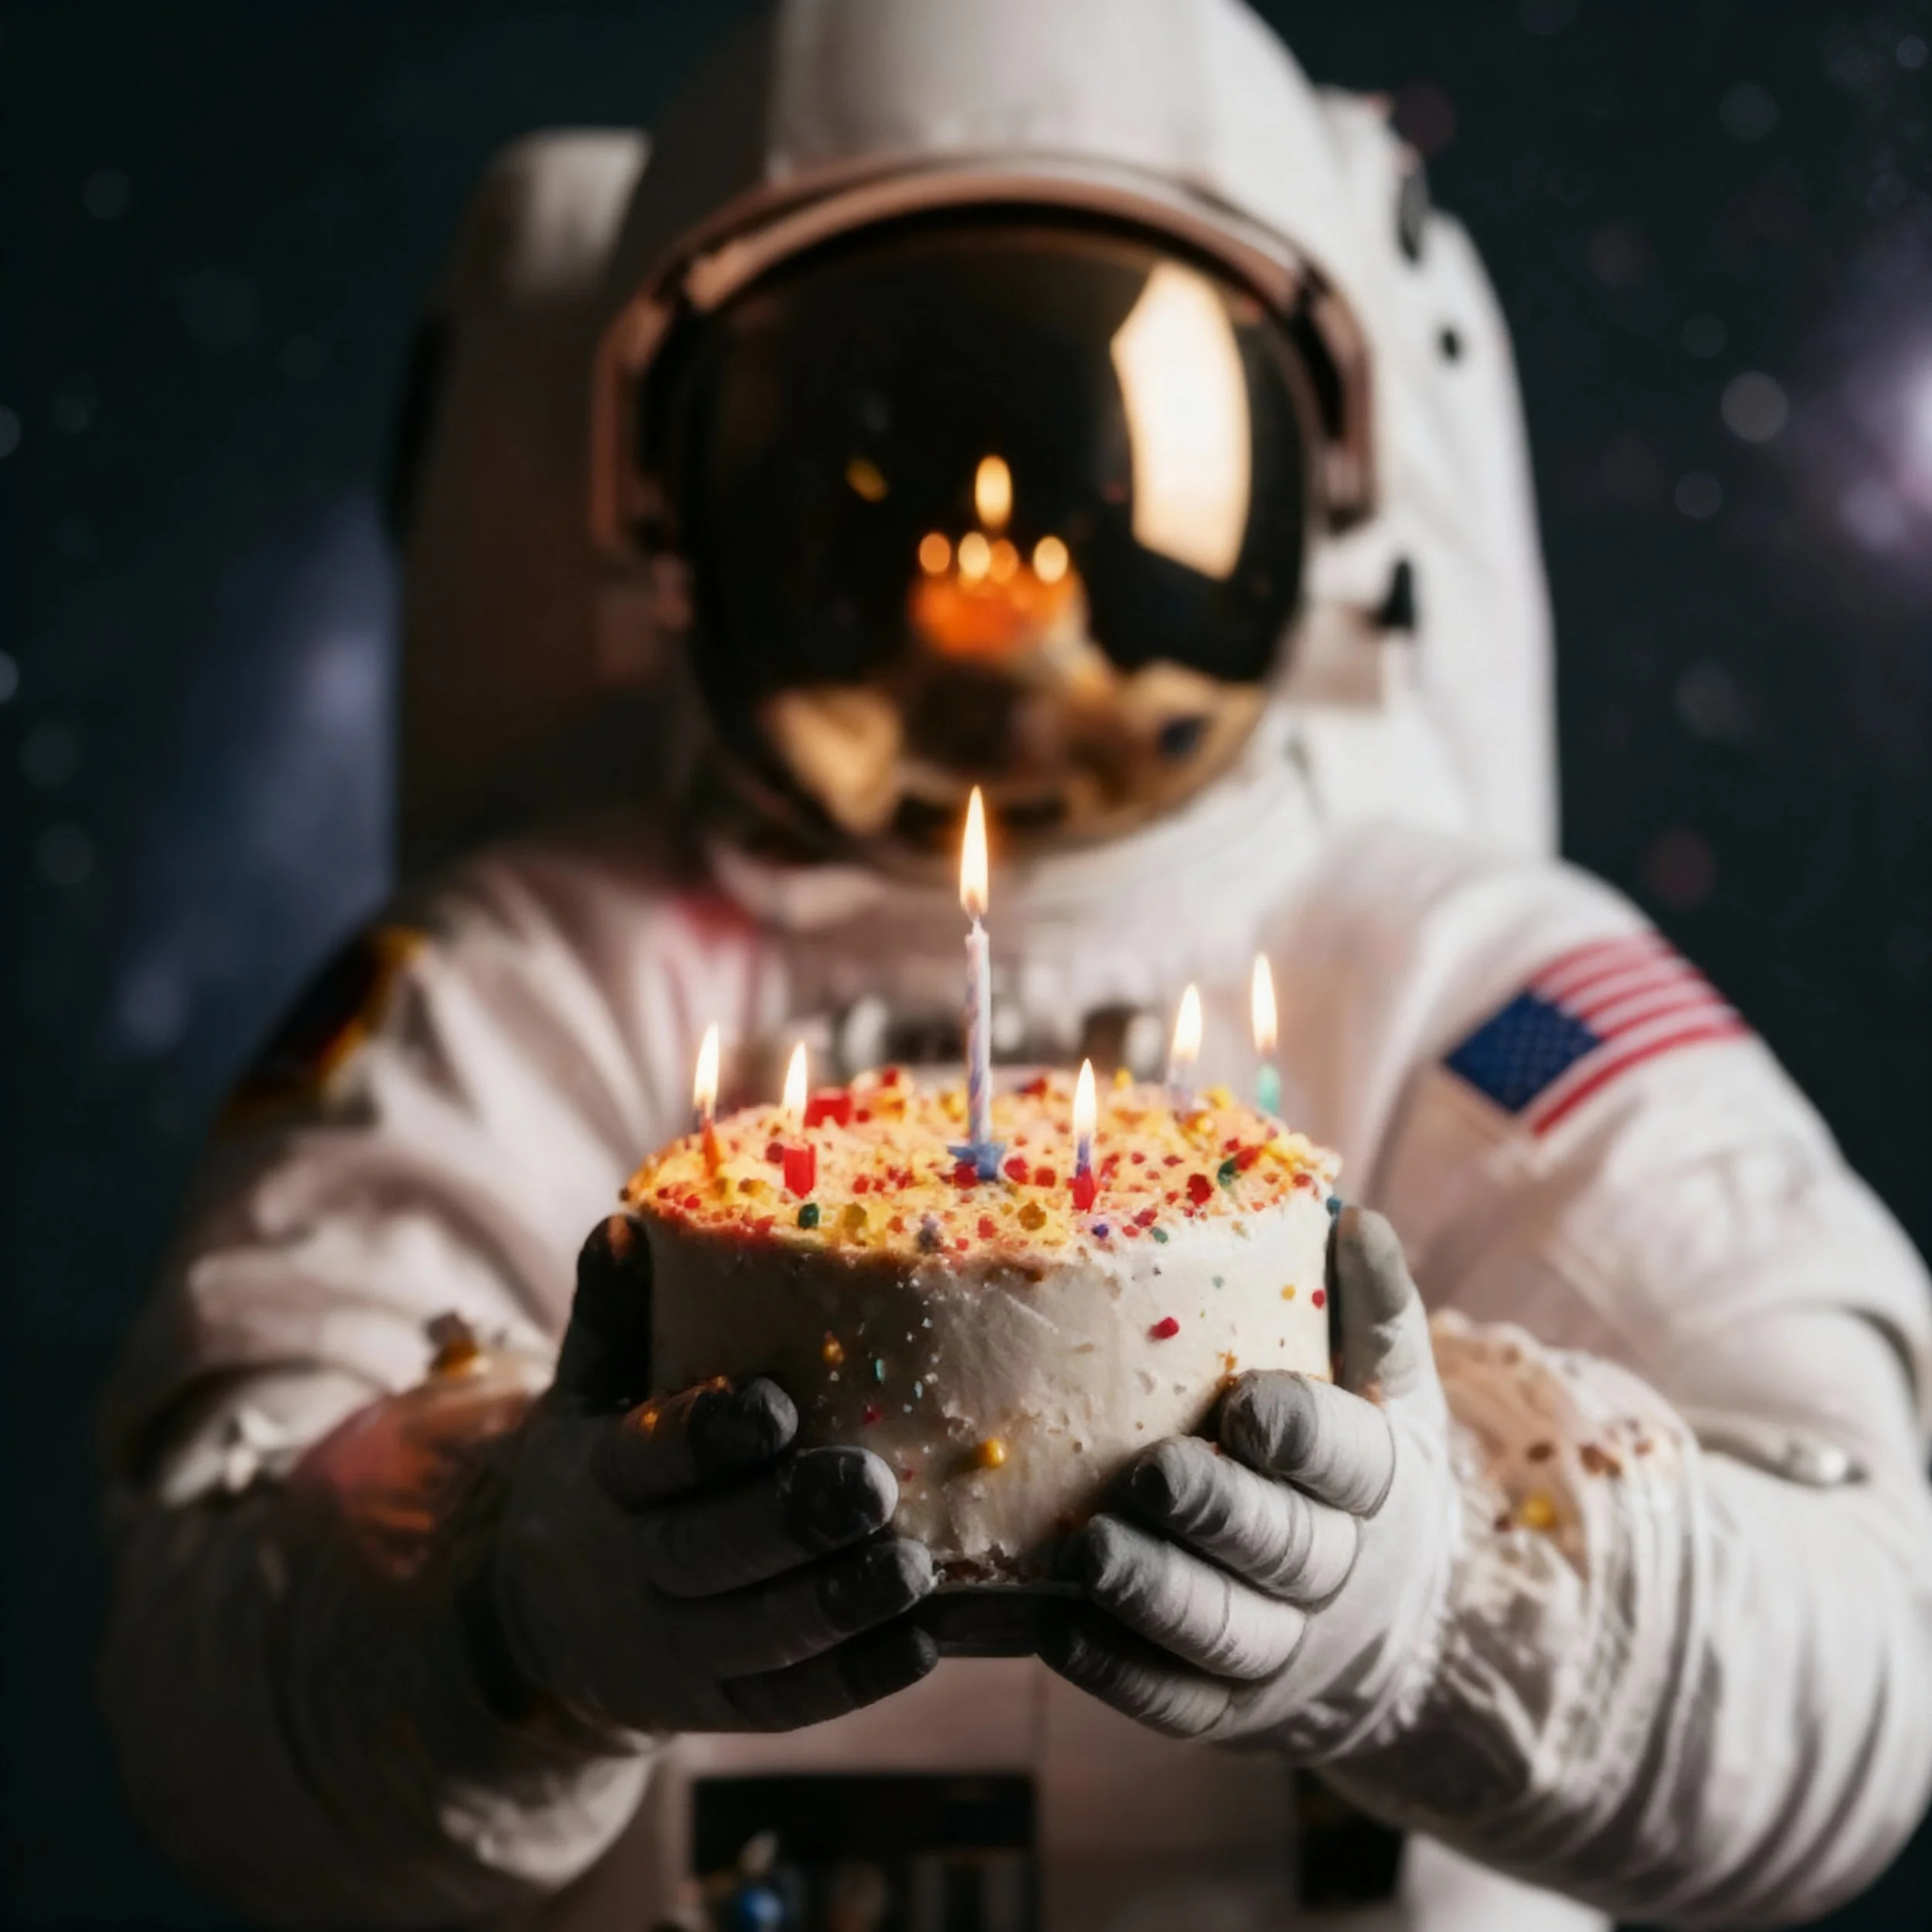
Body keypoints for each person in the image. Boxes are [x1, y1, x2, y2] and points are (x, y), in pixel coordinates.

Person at [100, 2, 1932, 1929]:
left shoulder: (1470, 983)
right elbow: (198, 1664)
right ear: (669, 522)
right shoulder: (515, 989)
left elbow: (1869, 1635)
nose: (996, 577)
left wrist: (1443, 1586)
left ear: (1318, 494)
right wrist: (499, 1609)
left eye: (1084, 477)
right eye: (873, 467)